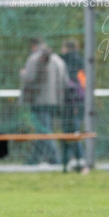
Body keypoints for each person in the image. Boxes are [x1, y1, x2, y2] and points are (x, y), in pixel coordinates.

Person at [18, 36, 70, 166]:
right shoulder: (58, 60)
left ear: (33, 46)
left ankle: (55, 160)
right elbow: (66, 82)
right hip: (56, 101)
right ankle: (34, 159)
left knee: (44, 131)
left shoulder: (34, 59)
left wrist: (22, 73)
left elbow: (30, 77)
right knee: (44, 129)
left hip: (39, 100)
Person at [60, 38, 88, 174]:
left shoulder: (66, 61)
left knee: (71, 132)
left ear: (66, 48)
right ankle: (72, 162)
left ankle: (79, 162)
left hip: (70, 102)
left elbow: (71, 84)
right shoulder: (81, 61)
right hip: (80, 101)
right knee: (73, 132)